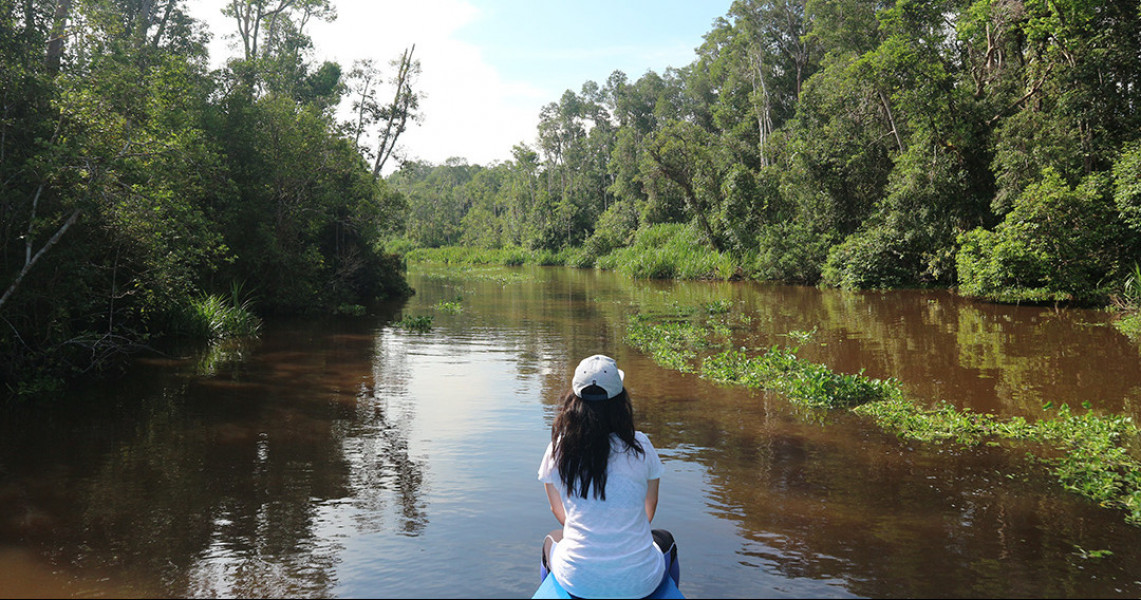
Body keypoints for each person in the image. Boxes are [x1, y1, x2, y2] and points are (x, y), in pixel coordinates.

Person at [537, 354, 678, 599]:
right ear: (620, 400)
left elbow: (558, 511)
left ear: (574, 400)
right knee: (666, 540)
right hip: (640, 583)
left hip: (577, 581)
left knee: (552, 539)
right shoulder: (641, 445)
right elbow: (649, 508)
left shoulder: (558, 448)